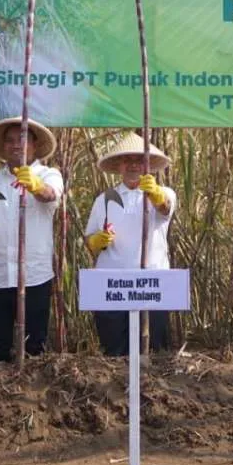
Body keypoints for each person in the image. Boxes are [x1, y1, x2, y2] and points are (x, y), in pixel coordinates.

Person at [0, 117, 63, 363]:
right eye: (9, 141)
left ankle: (33, 400)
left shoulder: (49, 174)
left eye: (22, 138)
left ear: (35, 144)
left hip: (34, 277)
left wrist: (36, 186)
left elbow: (50, 196)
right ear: (3, 147)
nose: (15, 145)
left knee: (34, 348)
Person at [84, 132, 177, 354]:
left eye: (139, 160)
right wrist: (98, 241)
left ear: (149, 164)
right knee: (114, 350)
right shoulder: (104, 199)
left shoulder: (164, 192)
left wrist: (154, 195)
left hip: (152, 284)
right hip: (112, 286)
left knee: (152, 350)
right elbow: (89, 240)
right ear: (119, 165)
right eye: (127, 160)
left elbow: (165, 209)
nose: (133, 165)